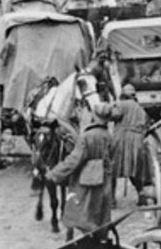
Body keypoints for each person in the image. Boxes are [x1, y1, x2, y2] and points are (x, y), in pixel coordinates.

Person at [46, 99, 113, 240]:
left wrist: (54, 173)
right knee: (100, 216)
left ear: (94, 116)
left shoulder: (86, 136)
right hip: (104, 182)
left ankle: (82, 246)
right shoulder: (109, 136)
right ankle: (100, 245)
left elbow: (74, 160)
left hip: (86, 184)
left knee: (79, 214)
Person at [99, 84, 153, 205]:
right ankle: (141, 196)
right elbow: (146, 125)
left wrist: (107, 107)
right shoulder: (140, 108)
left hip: (121, 139)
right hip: (137, 141)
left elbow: (113, 115)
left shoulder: (121, 104)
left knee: (112, 169)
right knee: (135, 170)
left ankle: (111, 199)